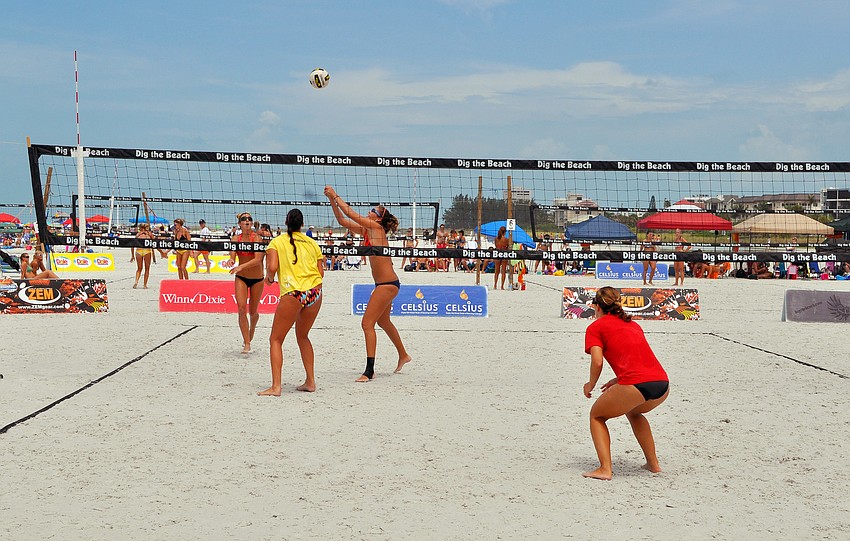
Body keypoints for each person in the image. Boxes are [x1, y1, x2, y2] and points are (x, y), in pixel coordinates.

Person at [582, 286, 670, 481]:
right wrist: (618, 378)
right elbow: (638, 358)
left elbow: (597, 361)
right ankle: (653, 464)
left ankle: (605, 469)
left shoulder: (595, 327)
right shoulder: (633, 324)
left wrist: (590, 385)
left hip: (636, 384)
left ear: (596, 307)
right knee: (634, 411)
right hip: (662, 385)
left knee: (597, 415)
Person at [325, 186, 412, 381]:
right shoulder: (367, 230)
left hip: (387, 284)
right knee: (383, 321)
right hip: (385, 283)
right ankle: (403, 355)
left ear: (379, 218)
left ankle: (369, 371)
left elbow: (350, 212)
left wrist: (335, 195)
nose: (369, 211)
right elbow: (342, 220)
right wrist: (332, 201)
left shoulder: (376, 228)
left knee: (366, 323)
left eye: (373, 211)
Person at [258, 209, 324, 396]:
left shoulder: (276, 242)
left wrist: (269, 278)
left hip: (293, 292)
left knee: (276, 339)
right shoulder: (313, 243)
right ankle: (310, 382)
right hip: (315, 292)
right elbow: (321, 273)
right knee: (303, 336)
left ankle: (276, 387)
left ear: (286, 222)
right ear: (302, 224)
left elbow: (272, 267)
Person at [226, 212, 266, 354]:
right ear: (240, 223)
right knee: (241, 309)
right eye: (244, 219)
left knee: (253, 312)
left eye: (249, 219)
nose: (247, 221)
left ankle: (252, 327)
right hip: (241, 277)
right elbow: (232, 254)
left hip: (257, 278)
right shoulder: (236, 238)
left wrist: (240, 266)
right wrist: (231, 260)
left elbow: (257, 259)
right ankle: (247, 343)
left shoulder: (258, 238)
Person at [133, 223, 155, 289]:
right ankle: (145, 285)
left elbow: (132, 244)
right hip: (147, 251)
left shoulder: (138, 234)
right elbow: (154, 243)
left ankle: (136, 282)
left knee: (139, 268)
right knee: (147, 269)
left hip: (138, 251)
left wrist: (132, 255)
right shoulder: (149, 234)